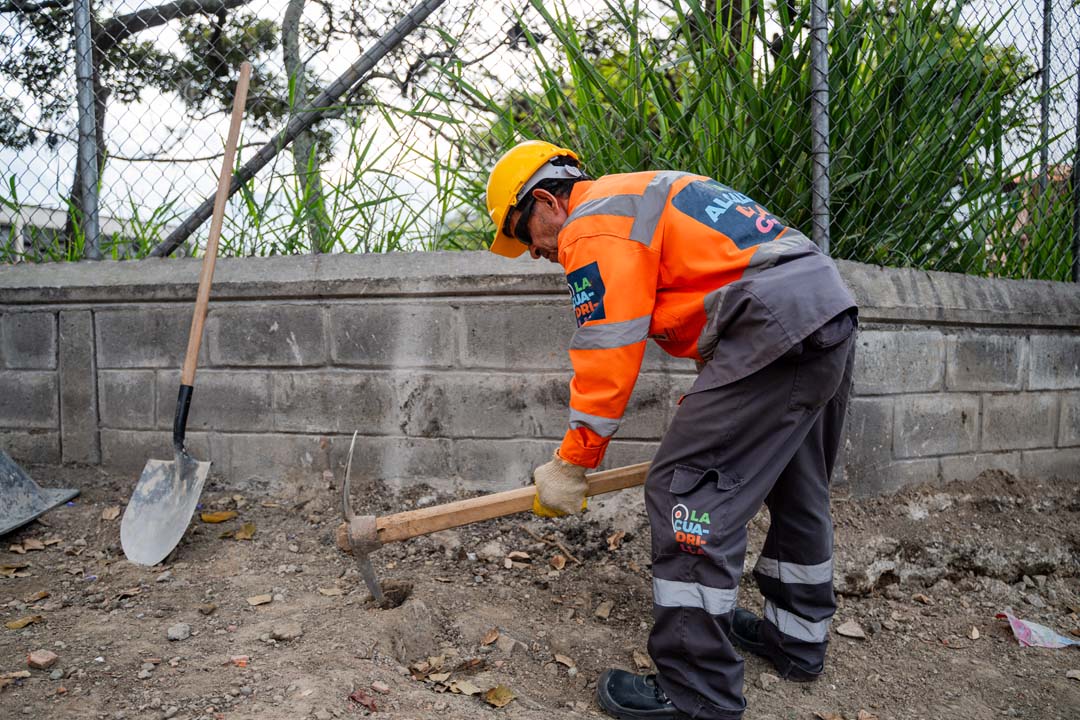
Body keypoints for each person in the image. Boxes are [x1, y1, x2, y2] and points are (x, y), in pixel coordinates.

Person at [485, 139, 857, 720]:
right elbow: (722, 278)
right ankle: (797, 639)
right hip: (823, 312)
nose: (534, 253)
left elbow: (609, 349)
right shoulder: (640, 191)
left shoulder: (591, 225)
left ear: (544, 202)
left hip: (772, 328)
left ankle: (697, 692)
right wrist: (720, 385)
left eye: (523, 234)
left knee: (683, 490)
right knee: (795, 482)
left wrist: (573, 462)